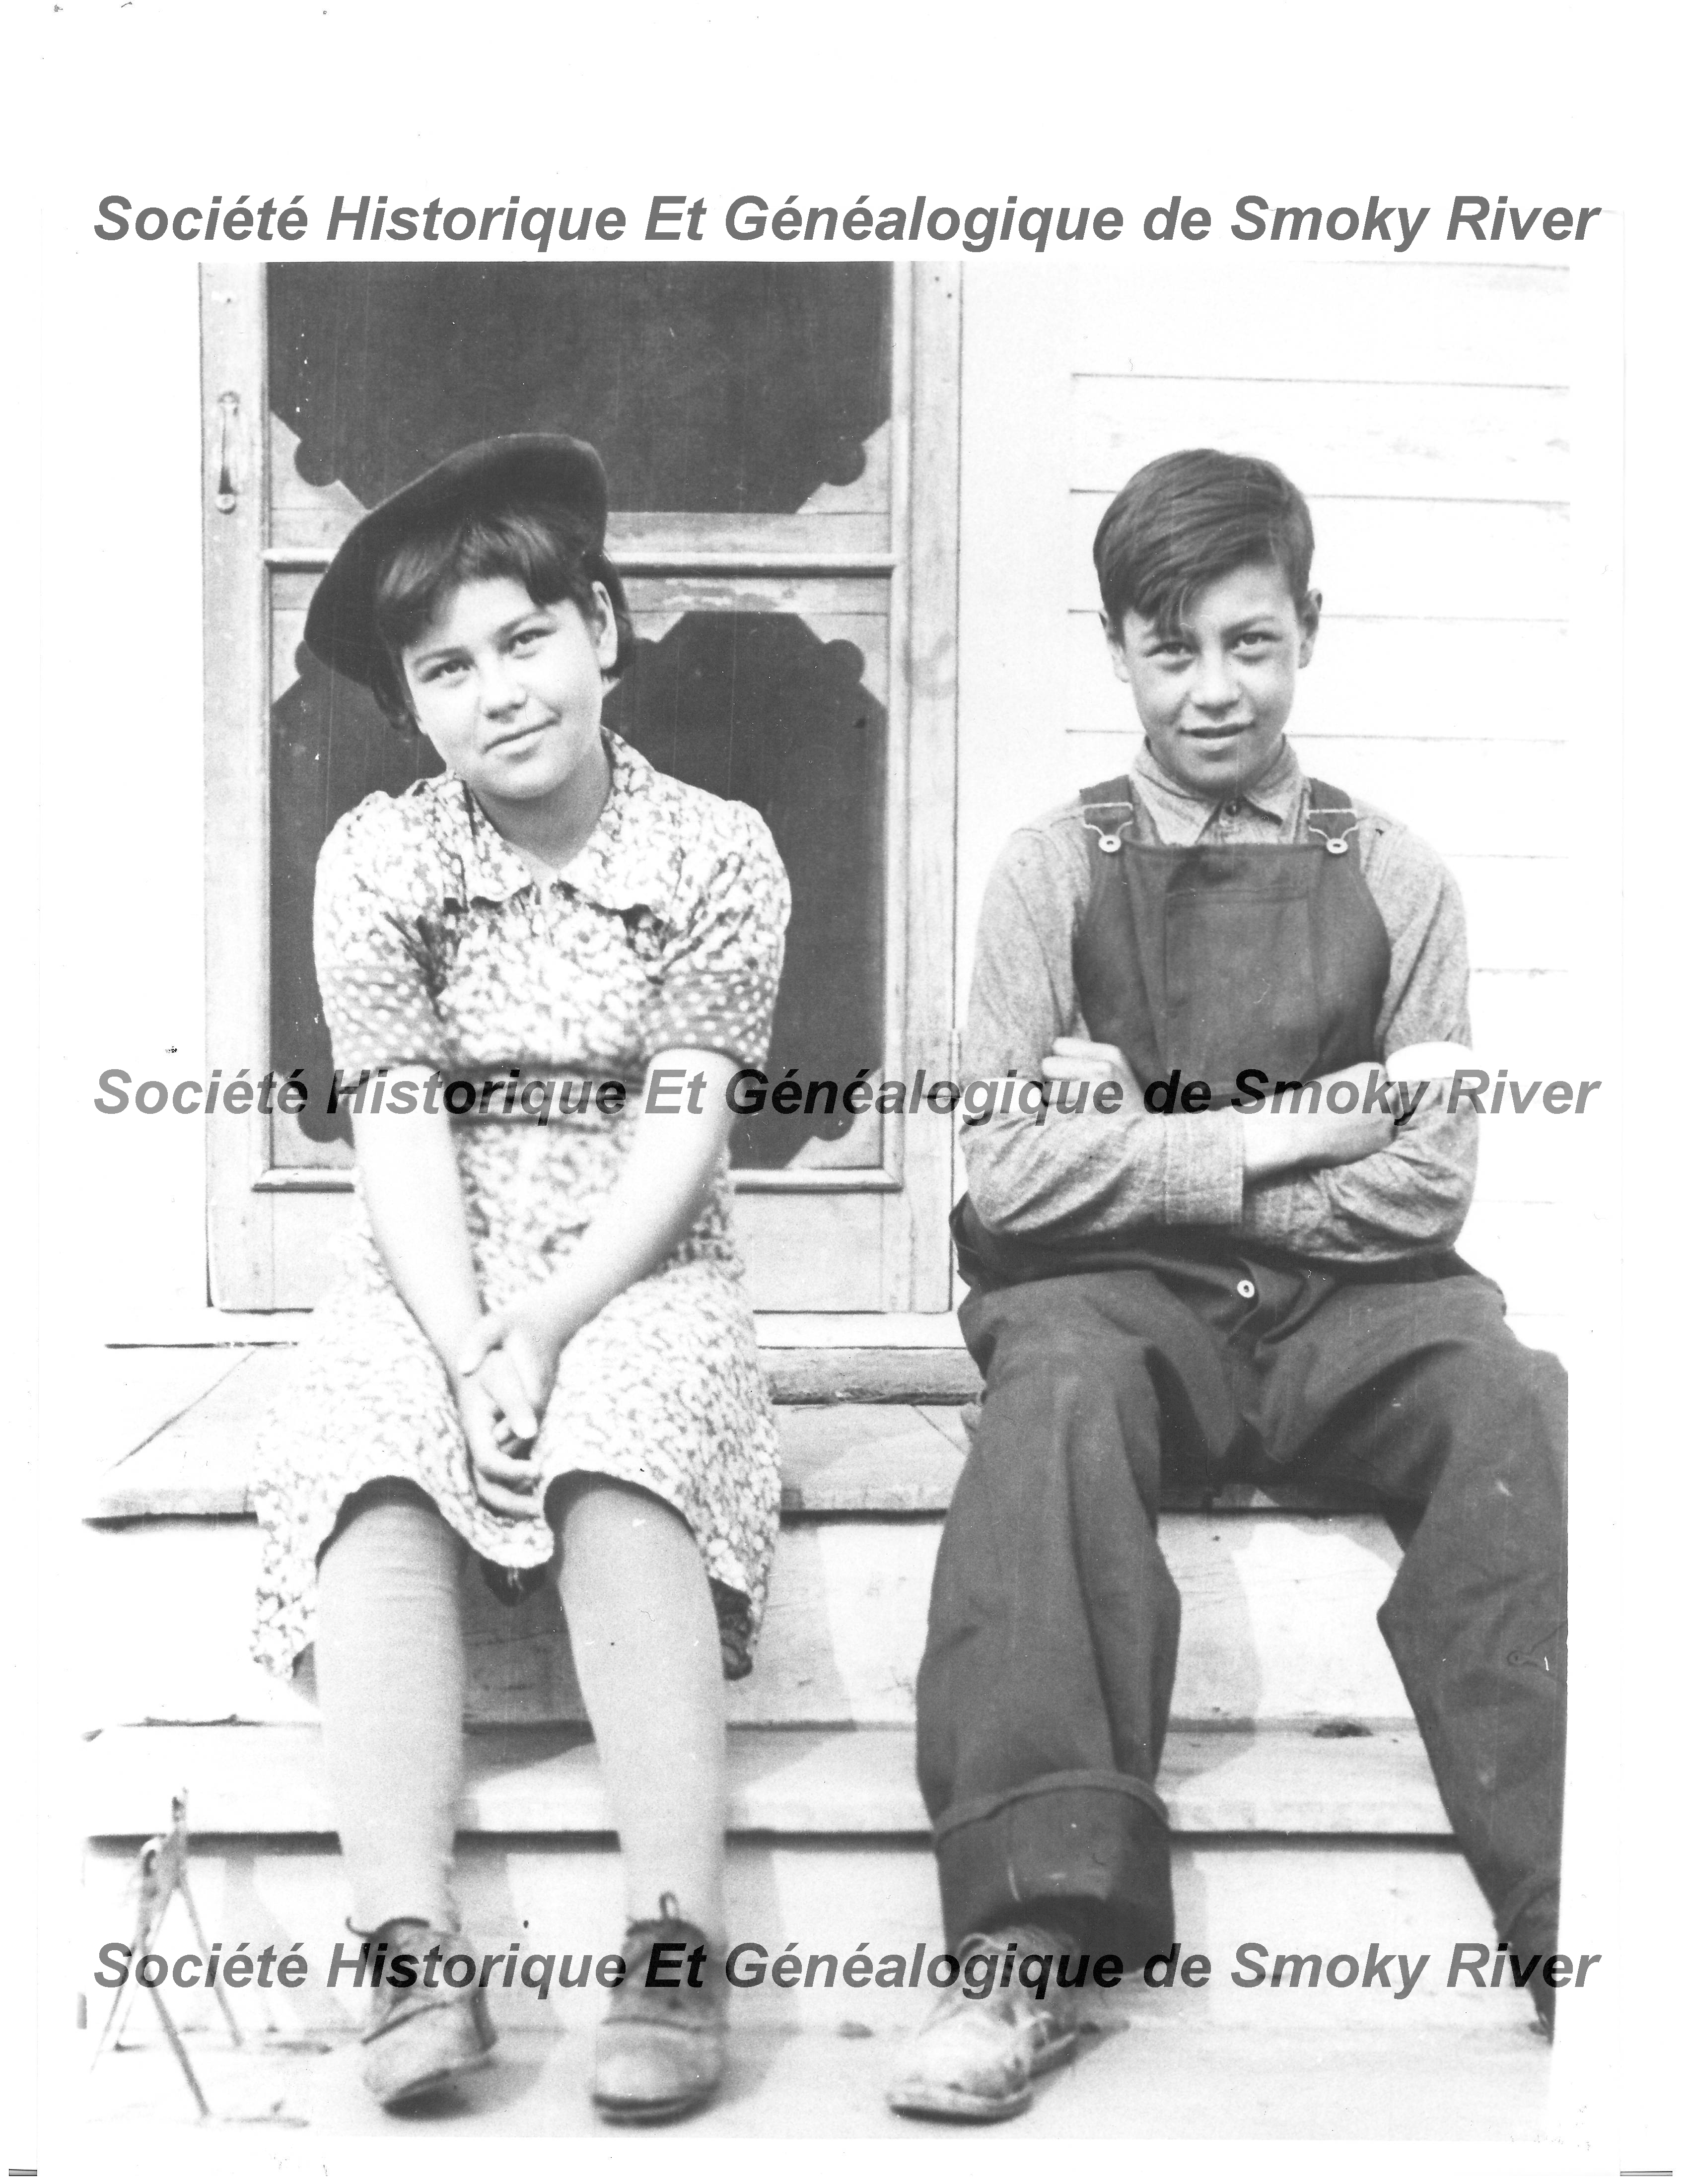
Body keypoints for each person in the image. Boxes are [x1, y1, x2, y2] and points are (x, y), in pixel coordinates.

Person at [887, 449, 1568, 2122]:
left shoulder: (1400, 879)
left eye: (1250, 644)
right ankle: (1027, 1950)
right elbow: (1010, 1176)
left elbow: (1429, 1180)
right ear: (1116, 648)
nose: (1213, 690)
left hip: (1357, 1315)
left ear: (1310, 635)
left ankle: (1589, 1926)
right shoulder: (1051, 873)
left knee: (1518, 1400)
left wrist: (1149, 1132)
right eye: (1172, 646)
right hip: (1119, 1308)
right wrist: (1288, 1130)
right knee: (1049, 1398)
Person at [250, 435, 790, 2122]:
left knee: (628, 1430)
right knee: (361, 1430)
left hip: (641, 1258)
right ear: (412, 708)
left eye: (526, 639)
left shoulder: (717, 853)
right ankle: (408, 1941)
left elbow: (686, 1125)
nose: (498, 692)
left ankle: (674, 1935)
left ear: (605, 630)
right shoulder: (383, 861)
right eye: (447, 670)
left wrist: (554, 1325)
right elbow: (399, 1130)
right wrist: (469, 1330)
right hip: (437, 1264)